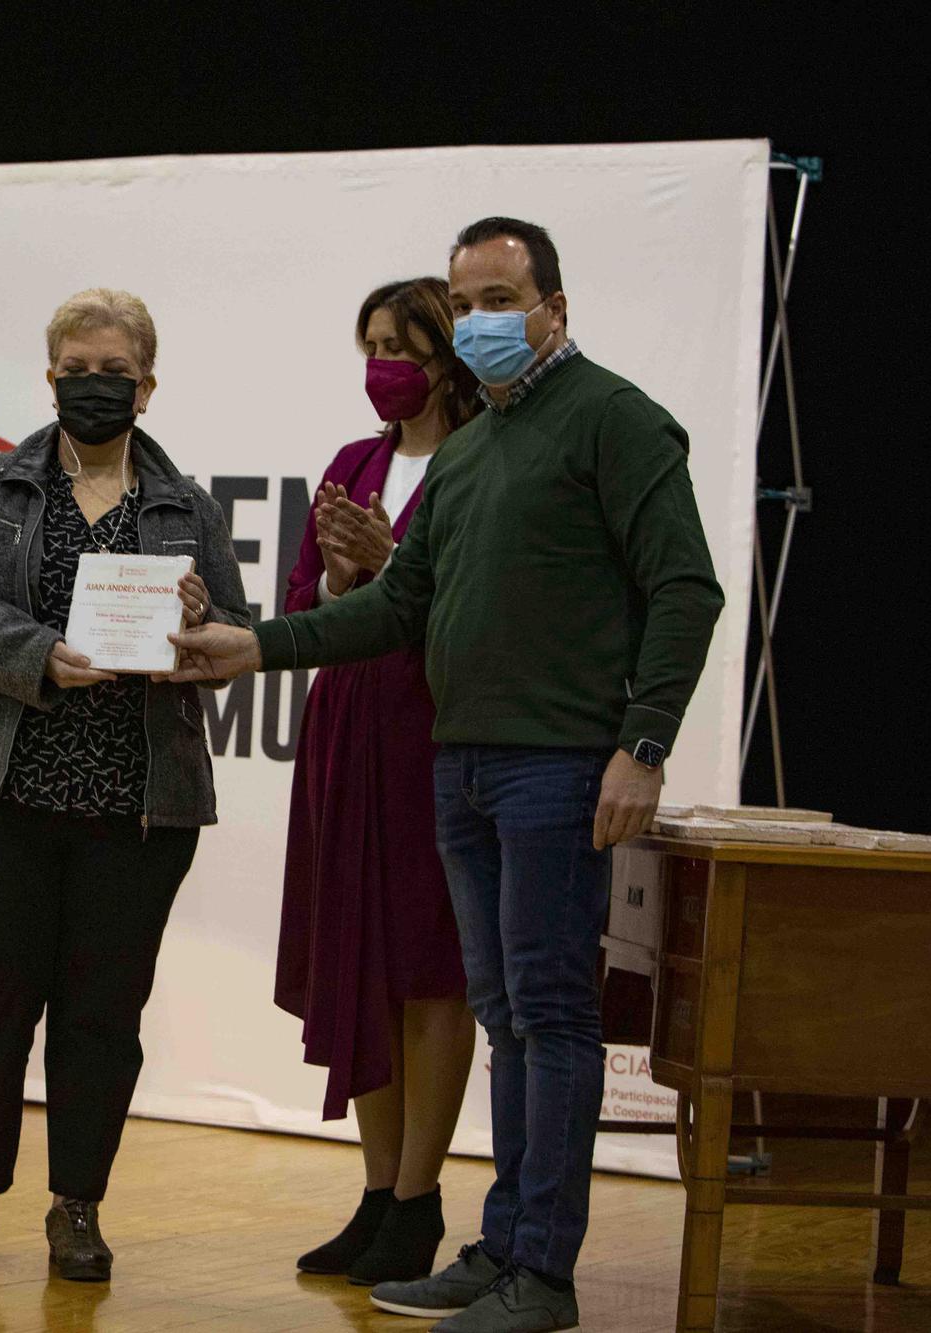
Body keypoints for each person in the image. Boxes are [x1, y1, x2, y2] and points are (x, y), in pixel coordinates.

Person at [169, 219, 724, 1333]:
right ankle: (502, 1245)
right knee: (505, 1016)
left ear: (552, 310)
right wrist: (254, 646)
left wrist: (644, 743)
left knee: (550, 1016)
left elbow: (684, 588)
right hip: (458, 765)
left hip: (558, 764)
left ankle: (542, 1274)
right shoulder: (472, 450)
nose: (479, 321)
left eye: (499, 298)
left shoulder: (613, 419)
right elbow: (391, 606)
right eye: (464, 300)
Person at [0, 288, 250, 1282]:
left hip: (134, 804)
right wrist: (37, 654)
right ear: (47, 373)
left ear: (146, 383)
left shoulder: (185, 506)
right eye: (75, 367)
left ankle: (77, 1207)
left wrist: (194, 624)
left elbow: (230, 633)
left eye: (113, 371)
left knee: (102, 1012)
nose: (92, 385)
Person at [280, 278, 482, 1285]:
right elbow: (302, 600)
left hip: (435, 732)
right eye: (366, 344)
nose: (379, 365)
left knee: (428, 967)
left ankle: (418, 1199)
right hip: (344, 728)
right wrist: (343, 575)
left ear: (444, 355)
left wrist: (394, 560)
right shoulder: (353, 462)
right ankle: (372, 1196)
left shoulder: (478, 461)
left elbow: (481, 607)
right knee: (357, 959)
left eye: (397, 344)